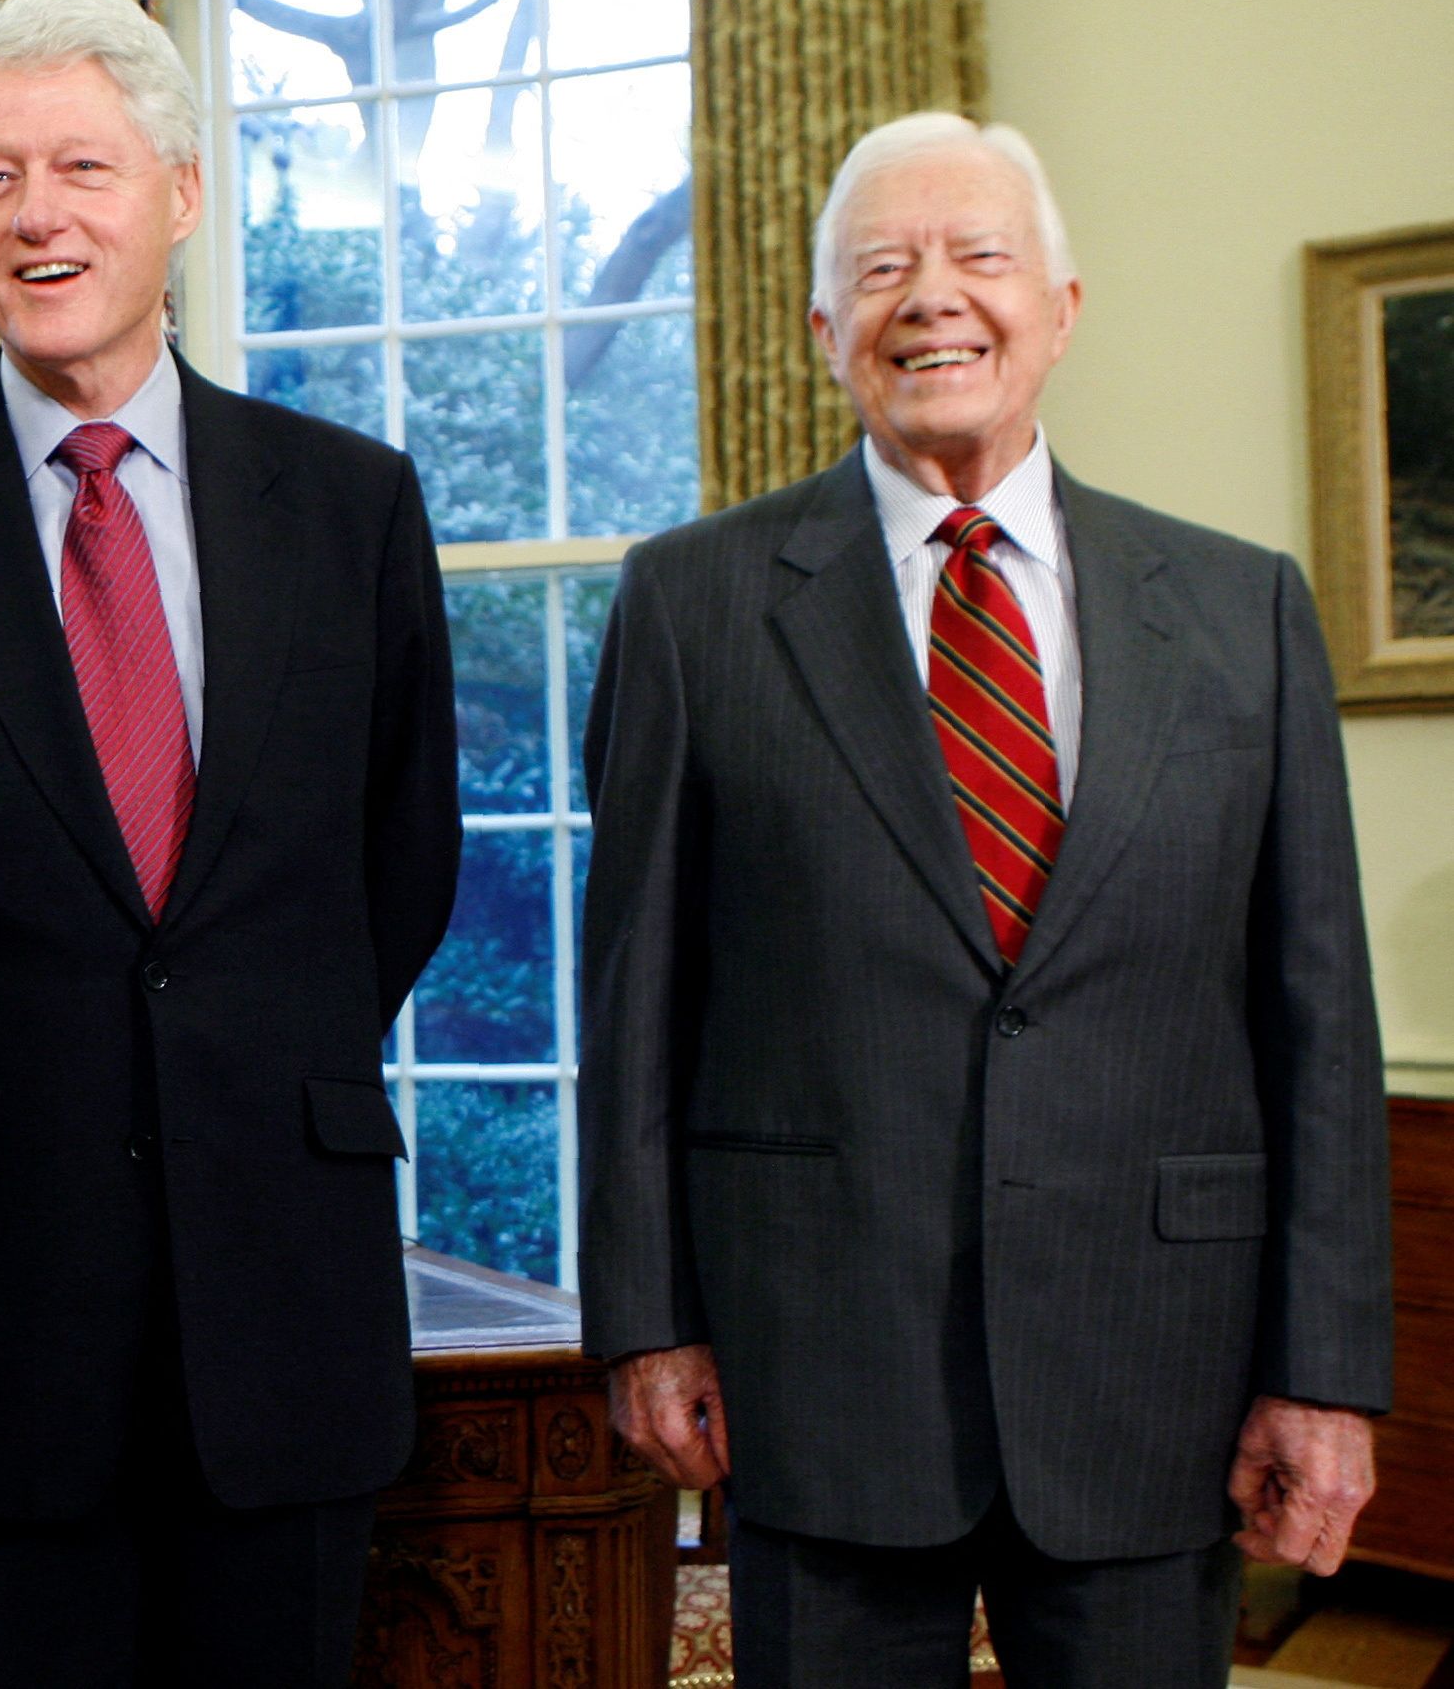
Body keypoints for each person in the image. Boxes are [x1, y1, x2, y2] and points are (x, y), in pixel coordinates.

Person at [577, 111, 1390, 1688]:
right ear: (824, 331)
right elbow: (634, 994)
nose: (928, 297)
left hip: (1155, 1365)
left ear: (1062, 308)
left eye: (976, 256)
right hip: (818, 1363)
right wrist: (645, 1317)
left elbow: (1319, 1017)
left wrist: (1326, 1370)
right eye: (879, 268)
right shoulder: (692, 604)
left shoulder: (1240, 610)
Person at [0, 0, 463, 1688]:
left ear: (179, 191)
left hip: (283, 1312)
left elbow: (402, 857)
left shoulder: (350, 501)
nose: (37, 212)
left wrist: (240, 1056)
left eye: (81, 163)